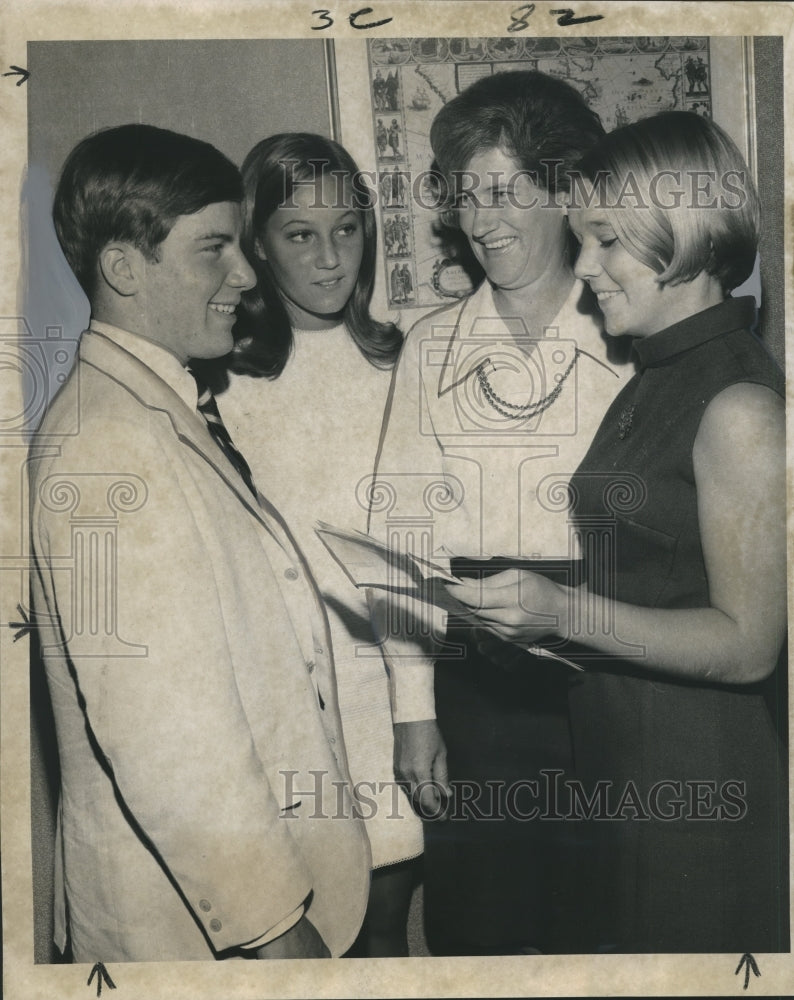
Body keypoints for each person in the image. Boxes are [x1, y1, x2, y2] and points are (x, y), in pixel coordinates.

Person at [28, 124, 371, 963]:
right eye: (215, 247)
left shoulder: (153, 405)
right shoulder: (105, 446)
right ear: (123, 269)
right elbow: (167, 741)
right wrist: (274, 929)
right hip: (201, 931)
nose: (247, 273)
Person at [447, 111, 788, 952]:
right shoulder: (660, 372)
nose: (584, 266)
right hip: (622, 754)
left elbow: (750, 644)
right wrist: (535, 628)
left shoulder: (738, 403)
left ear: (683, 228)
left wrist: (564, 614)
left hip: (696, 776)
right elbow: (651, 582)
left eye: (604, 241)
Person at [368, 70, 634, 955]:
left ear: (565, 190)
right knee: (483, 926)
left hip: (615, 671)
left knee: (610, 920)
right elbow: (400, 537)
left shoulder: (629, 334)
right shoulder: (430, 345)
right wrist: (415, 711)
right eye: (465, 198)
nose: (482, 222)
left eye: (506, 192)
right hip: (476, 683)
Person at [209, 132, 424, 957]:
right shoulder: (222, 382)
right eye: (300, 235)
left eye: (347, 230)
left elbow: (419, 550)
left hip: (395, 707)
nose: (331, 259)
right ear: (257, 242)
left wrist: (417, 710)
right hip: (286, 718)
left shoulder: (406, 362)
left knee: (382, 940)